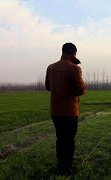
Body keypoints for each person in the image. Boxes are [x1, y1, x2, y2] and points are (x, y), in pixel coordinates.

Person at [45, 42, 86, 175]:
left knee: (60, 138)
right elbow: (81, 90)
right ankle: (68, 167)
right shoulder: (74, 69)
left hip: (55, 111)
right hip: (70, 112)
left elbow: (47, 87)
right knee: (69, 140)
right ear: (74, 54)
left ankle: (60, 164)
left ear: (62, 52)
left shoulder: (50, 68)